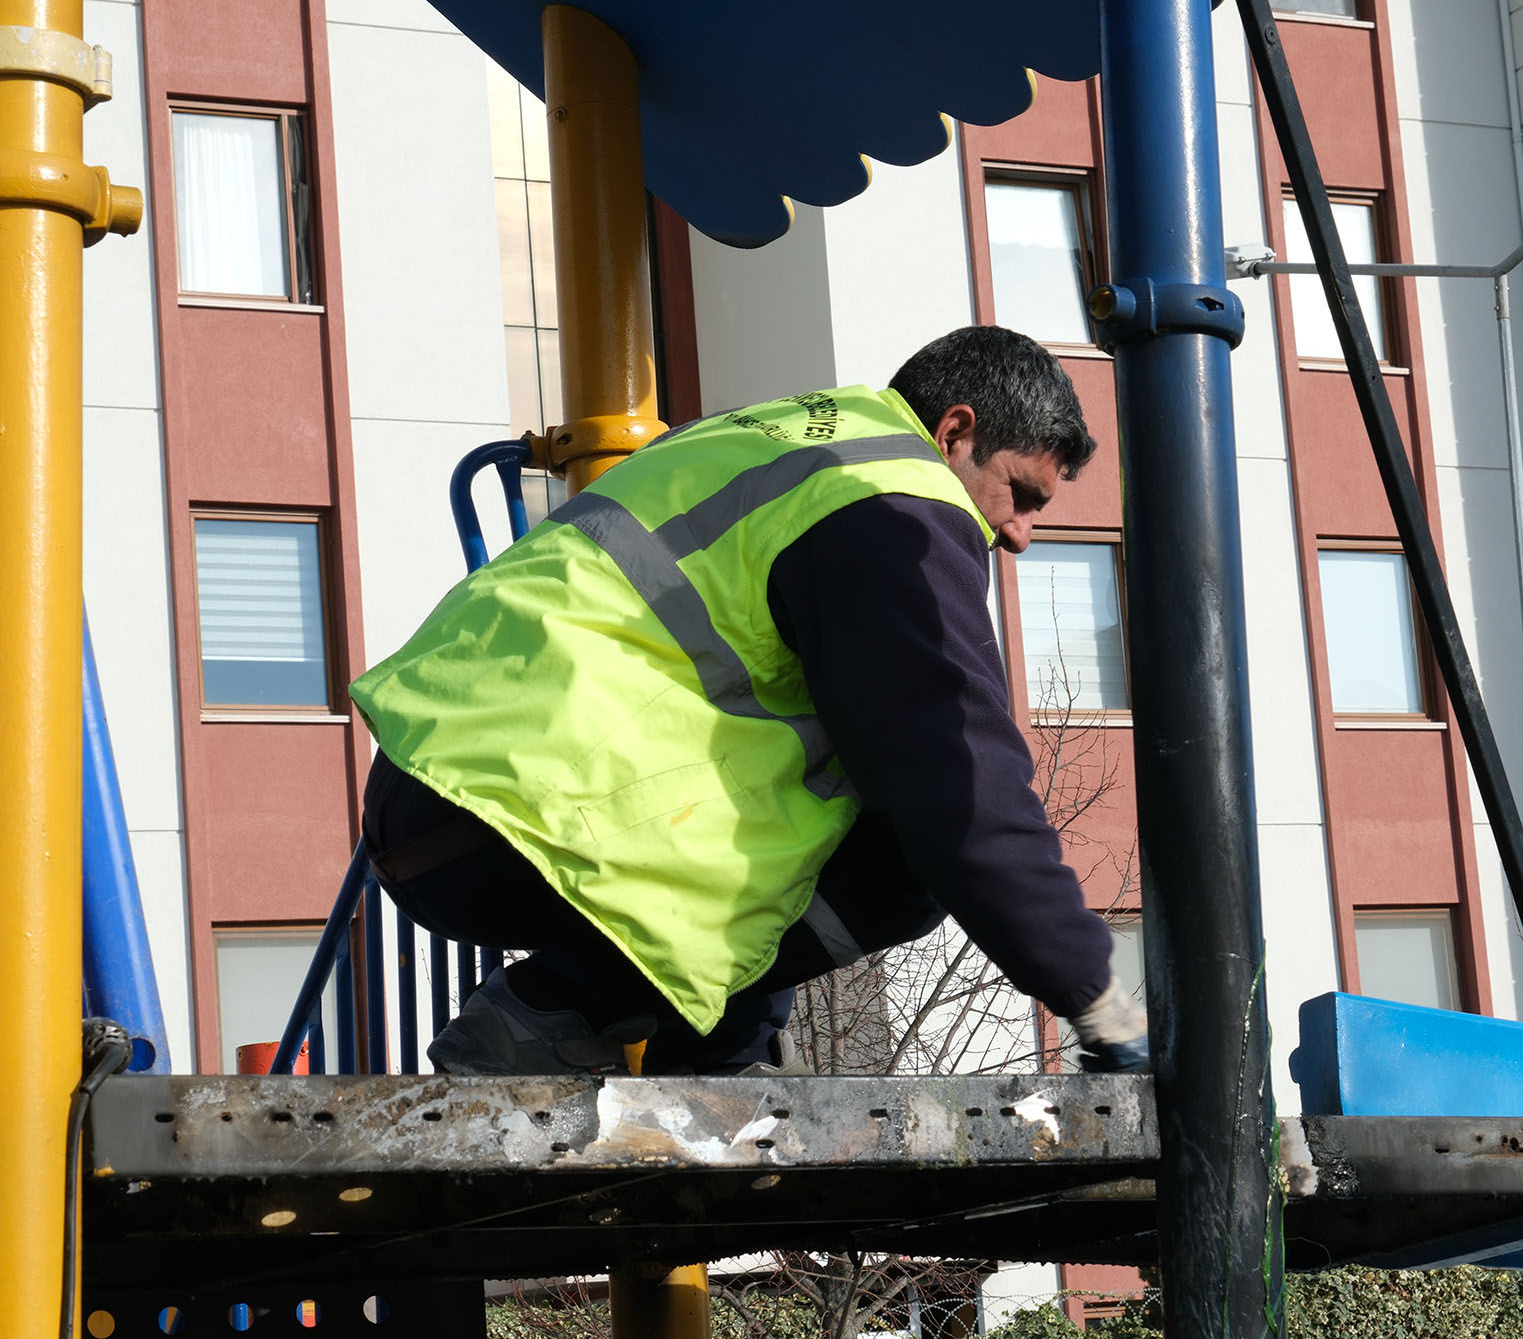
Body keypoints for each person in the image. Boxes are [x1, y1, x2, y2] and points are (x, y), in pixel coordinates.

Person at [350, 325, 1148, 1075]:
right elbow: (960, 778)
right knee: (910, 842)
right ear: (954, 434)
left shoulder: (781, 438)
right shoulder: (892, 501)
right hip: (526, 822)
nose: (1018, 535)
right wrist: (1097, 1000)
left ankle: (712, 1051)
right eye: (1021, 493)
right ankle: (565, 1004)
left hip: (439, 795)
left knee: (820, 795)